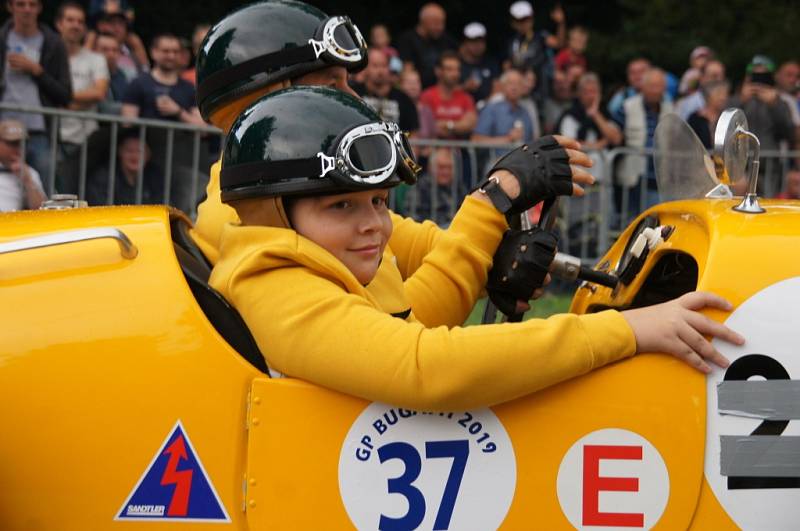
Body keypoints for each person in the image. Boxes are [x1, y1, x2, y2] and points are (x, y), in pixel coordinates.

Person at [209, 86, 744, 411]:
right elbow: (425, 365)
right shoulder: (276, 283)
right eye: (342, 207)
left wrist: (494, 246)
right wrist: (627, 330)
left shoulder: (312, 258)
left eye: (378, 201)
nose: (375, 224)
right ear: (274, 210)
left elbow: (408, 319)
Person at [191, 0, 369, 266]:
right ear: (273, 99)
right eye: (333, 84)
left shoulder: (311, 191)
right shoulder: (246, 216)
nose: (356, 99)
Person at [122, 33, 204, 213]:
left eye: (175, 51)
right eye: (166, 51)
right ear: (154, 52)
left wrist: (178, 112)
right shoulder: (138, 84)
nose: (171, 56)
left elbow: (203, 128)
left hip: (181, 160)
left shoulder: (188, 89)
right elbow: (127, 124)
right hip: (145, 161)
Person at [0, 0, 72, 186]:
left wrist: (36, 71)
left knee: (43, 196)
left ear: (40, 8)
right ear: (10, 7)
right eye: (21, 4)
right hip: (3, 131)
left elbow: (65, 95)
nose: (27, 9)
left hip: (39, 132)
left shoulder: (53, 43)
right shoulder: (2, 39)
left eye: (32, 4)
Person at [55, 1, 109, 195]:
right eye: (70, 20)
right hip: (52, 136)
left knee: (79, 195)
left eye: (80, 21)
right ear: (59, 24)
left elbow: (98, 93)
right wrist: (77, 100)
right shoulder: (49, 56)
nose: (75, 25)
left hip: (86, 140)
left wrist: (60, 97)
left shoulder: (96, 59)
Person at [729, 56, 794, 196]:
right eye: (755, 77)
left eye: (764, 77)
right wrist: (741, 100)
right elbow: (725, 124)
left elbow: (789, 133)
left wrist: (774, 105)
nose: (759, 82)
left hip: (769, 169)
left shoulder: (780, 103)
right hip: (741, 168)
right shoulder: (737, 99)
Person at [614, 67, 674, 213]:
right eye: (652, 86)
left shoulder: (670, 109)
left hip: (658, 178)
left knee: (654, 220)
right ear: (643, 87)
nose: (655, 91)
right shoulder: (627, 106)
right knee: (630, 219)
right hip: (633, 177)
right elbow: (615, 135)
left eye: (659, 86)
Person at [505, 1, 566, 103]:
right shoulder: (511, 42)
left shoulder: (541, 36)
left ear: (532, 19)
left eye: (526, 19)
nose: (523, 23)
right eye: (519, 20)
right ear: (513, 23)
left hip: (540, 91)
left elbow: (559, 43)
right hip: (519, 93)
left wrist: (560, 23)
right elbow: (507, 66)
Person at [86, 128, 163, 205]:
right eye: (129, 151)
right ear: (120, 152)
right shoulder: (103, 177)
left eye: (139, 151)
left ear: (148, 154)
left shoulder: (154, 177)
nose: (134, 156)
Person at [353, 48, 419, 134]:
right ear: (366, 68)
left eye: (384, 66)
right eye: (375, 66)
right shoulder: (354, 94)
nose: (380, 71)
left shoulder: (403, 99)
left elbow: (413, 133)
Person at [396, 2, 458, 89]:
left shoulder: (447, 40)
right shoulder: (408, 40)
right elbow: (407, 71)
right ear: (423, 21)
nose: (441, 27)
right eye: (436, 23)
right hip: (418, 90)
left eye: (442, 23)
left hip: (444, 92)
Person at [472, 68, 536, 151]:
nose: (514, 87)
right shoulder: (491, 109)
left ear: (523, 88)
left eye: (518, 84)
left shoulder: (525, 113)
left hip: (522, 161)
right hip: (496, 161)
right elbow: (476, 140)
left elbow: (531, 141)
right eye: (510, 83)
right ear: (503, 86)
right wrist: (508, 139)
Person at [419, 51, 477, 140]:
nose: (455, 74)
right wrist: (458, 125)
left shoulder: (466, 98)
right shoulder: (427, 96)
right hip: (434, 149)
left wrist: (448, 125)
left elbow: (470, 124)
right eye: (449, 69)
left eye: (457, 69)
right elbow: (428, 126)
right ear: (438, 71)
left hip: (460, 151)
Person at [0, 119, 45, 211]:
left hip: (10, 223)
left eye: (23, 144)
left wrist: (28, 182)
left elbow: (41, 212)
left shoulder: (30, 173)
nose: (19, 150)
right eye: (12, 144)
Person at [459, 22, 499, 109]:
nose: (477, 45)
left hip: (487, 107)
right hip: (460, 109)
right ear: (465, 42)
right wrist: (464, 87)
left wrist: (485, 104)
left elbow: (497, 87)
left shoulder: (490, 63)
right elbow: (447, 90)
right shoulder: (456, 64)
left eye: (481, 41)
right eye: (473, 41)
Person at [687, 80, 730, 149]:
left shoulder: (727, 119)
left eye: (725, 94)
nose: (723, 98)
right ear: (708, 96)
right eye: (719, 94)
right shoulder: (695, 119)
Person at [608, 57, 650, 123]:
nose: (637, 76)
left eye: (641, 71)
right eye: (633, 73)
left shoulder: (663, 97)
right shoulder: (620, 98)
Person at [94, 31, 128, 113]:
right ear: (94, 51)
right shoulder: (89, 74)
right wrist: (133, 108)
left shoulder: (124, 75)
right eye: (105, 50)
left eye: (115, 50)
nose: (111, 54)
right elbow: (104, 109)